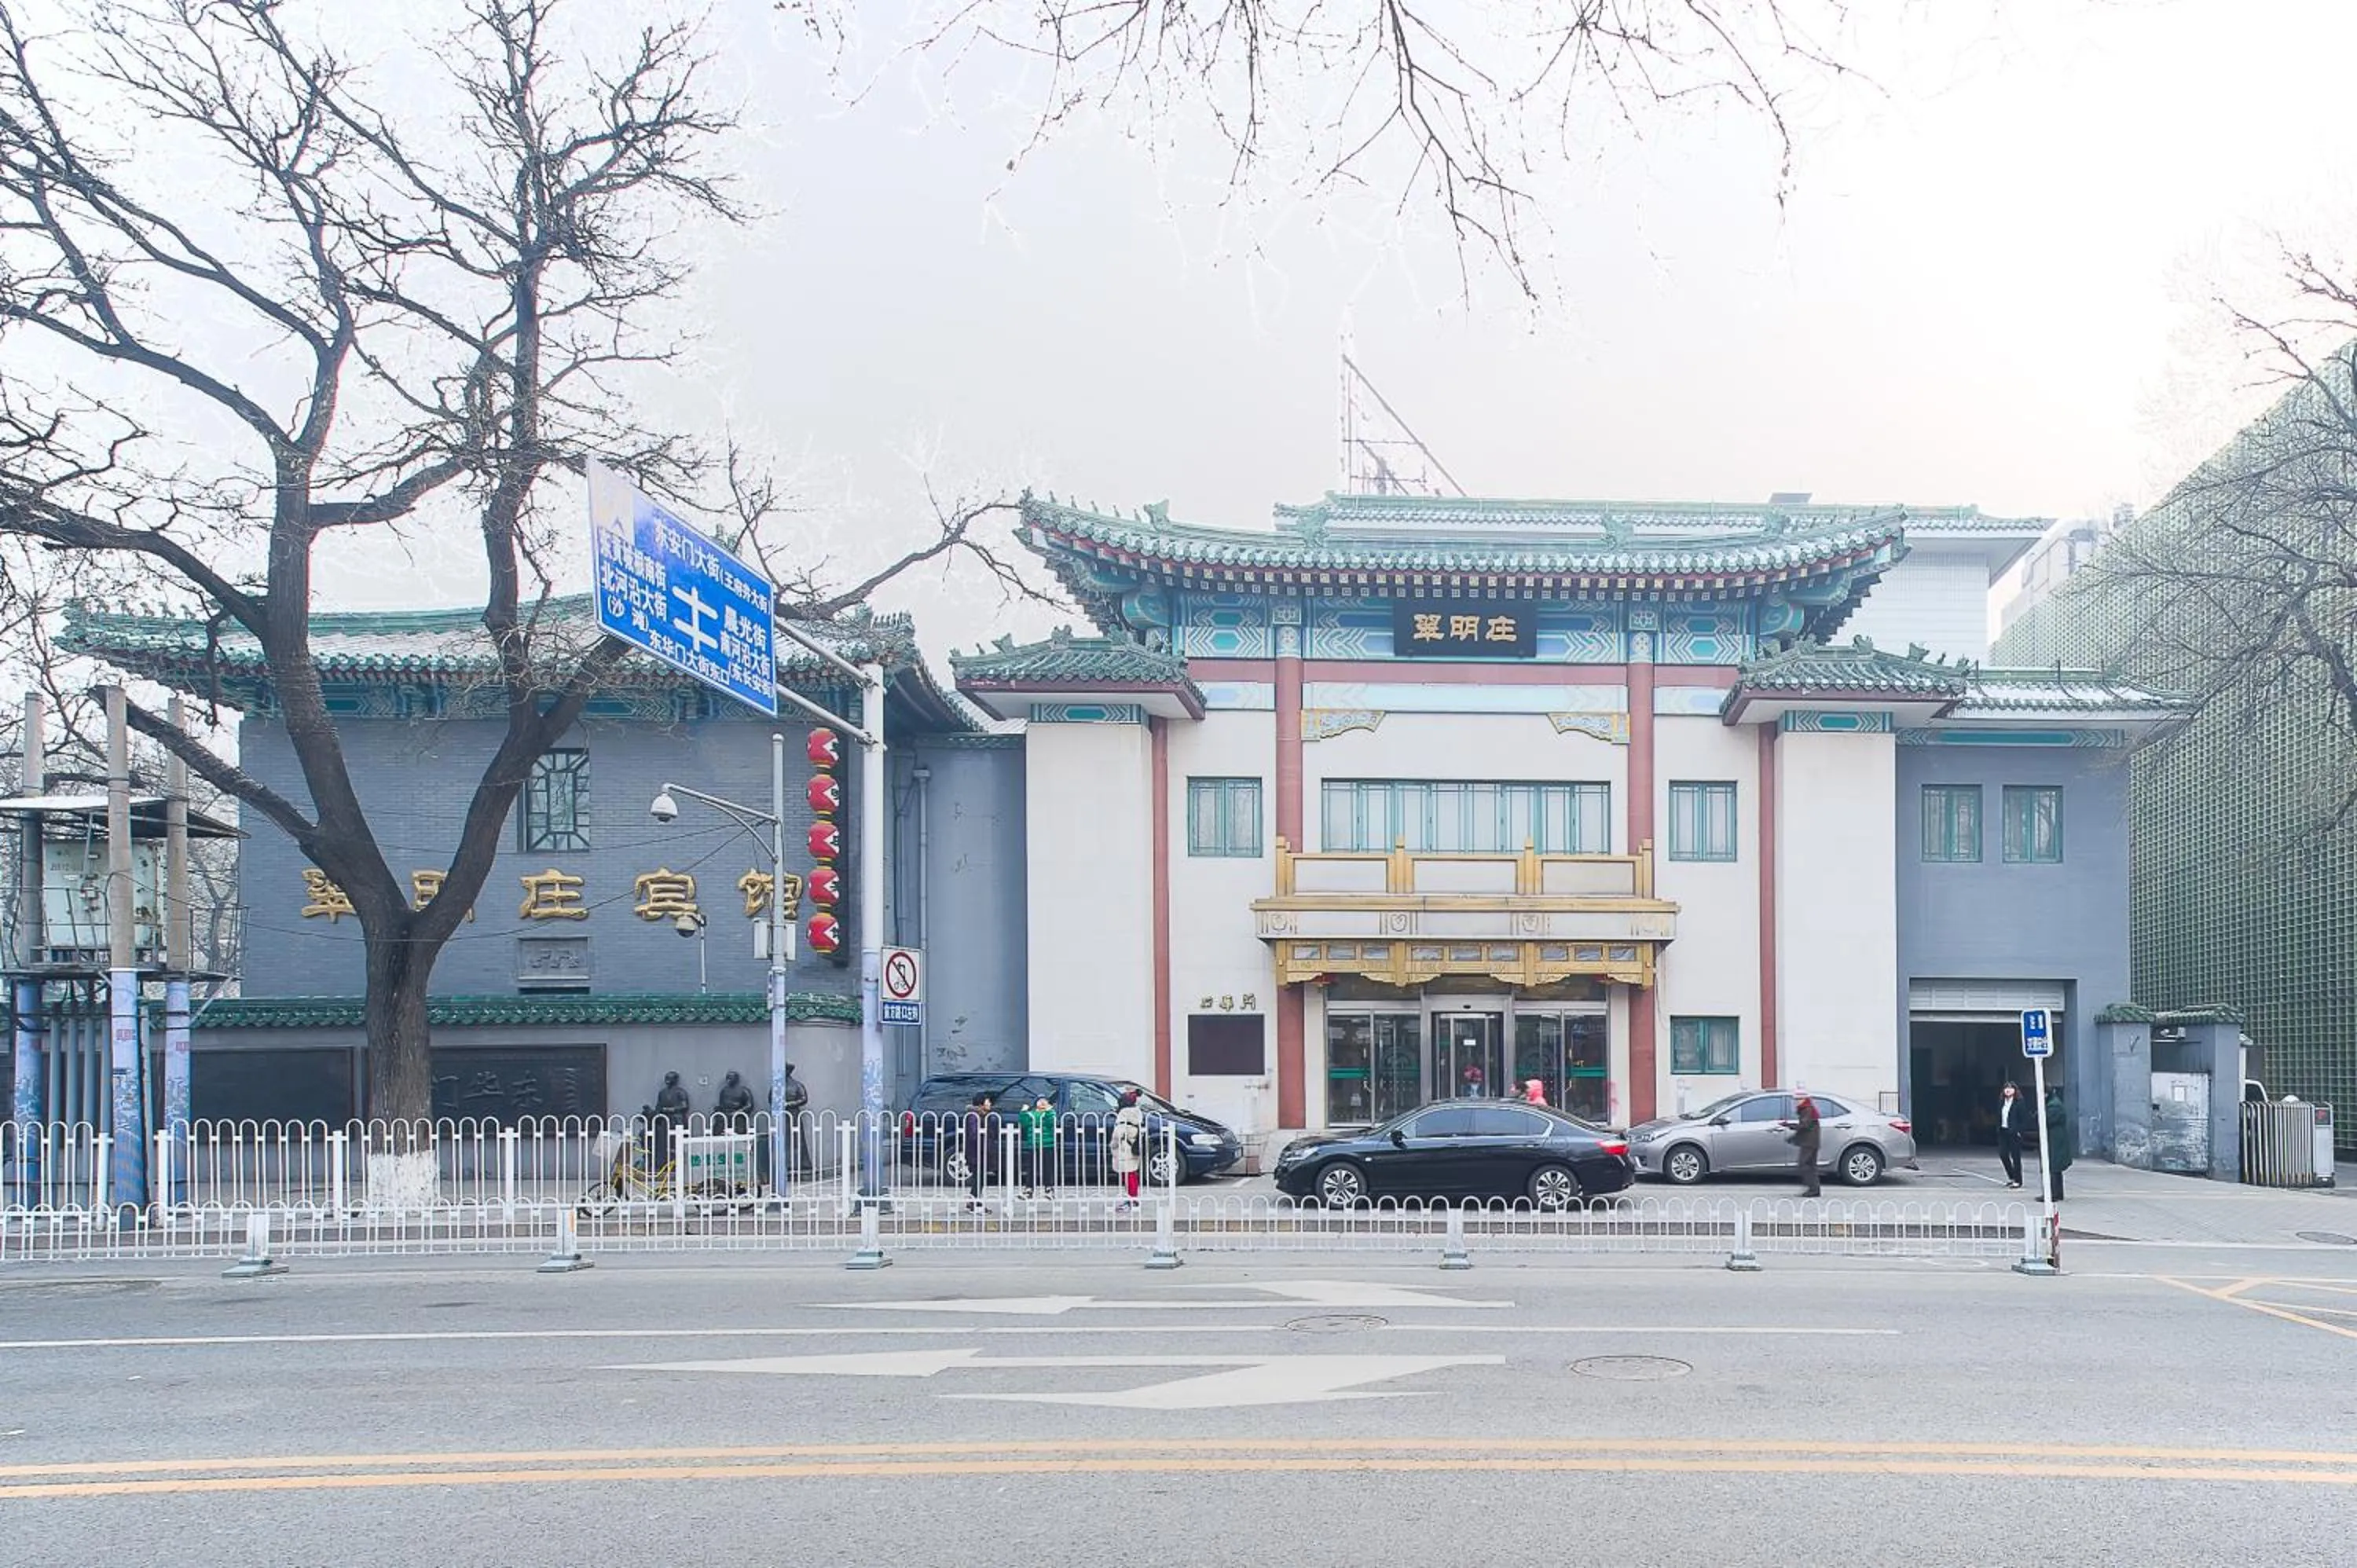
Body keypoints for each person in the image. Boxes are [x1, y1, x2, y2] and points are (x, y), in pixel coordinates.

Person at [1111, 1087, 1146, 1212]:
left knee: (1127, 1176)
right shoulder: (1136, 1116)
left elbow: (1117, 1136)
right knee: (1133, 1175)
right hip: (1133, 1149)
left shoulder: (1123, 1117)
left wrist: (1112, 1146)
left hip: (1124, 1151)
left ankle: (1131, 1200)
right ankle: (1134, 1198)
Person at [960, 1092, 995, 1213]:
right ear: (981, 1103)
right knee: (978, 1178)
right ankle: (974, 1203)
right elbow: (974, 1135)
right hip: (976, 1153)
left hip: (981, 1152)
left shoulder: (982, 1116)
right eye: (987, 1101)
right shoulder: (973, 1116)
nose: (990, 1103)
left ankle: (974, 1202)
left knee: (980, 1178)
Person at [1017, 1095, 1058, 1200]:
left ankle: (1049, 1188)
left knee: (1047, 1167)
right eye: (1040, 1101)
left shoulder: (1051, 1113)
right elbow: (1024, 1123)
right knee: (1031, 1167)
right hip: (1033, 1144)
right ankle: (1029, 1189)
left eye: (1045, 1101)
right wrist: (1023, 1112)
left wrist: (1049, 1111)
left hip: (1047, 1144)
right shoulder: (1031, 1114)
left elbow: (1051, 1123)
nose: (1043, 1103)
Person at [2043, 1087, 2075, 1202]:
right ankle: (2057, 1193)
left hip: (2056, 1140)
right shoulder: (2054, 1103)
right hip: (2056, 1139)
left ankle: (2053, 1193)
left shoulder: (2054, 1106)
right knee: (2055, 1169)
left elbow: (2047, 1120)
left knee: (2053, 1167)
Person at [1996, 1081, 2029, 1189]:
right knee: (2003, 1154)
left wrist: (2019, 1131)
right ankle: (2012, 1176)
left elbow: (2024, 1119)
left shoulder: (2019, 1102)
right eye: (2006, 1088)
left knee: (2016, 1157)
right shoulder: (2001, 1102)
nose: (2008, 1090)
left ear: (2015, 1090)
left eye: (2010, 1088)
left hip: (2014, 1133)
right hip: (2003, 1131)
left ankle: (2018, 1180)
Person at [1791, 1093, 1822, 1198]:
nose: (1797, 1101)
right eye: (1796, 1099)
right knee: (1811, 1166)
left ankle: (1812, 1188)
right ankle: (1815, 1189)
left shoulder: (1807, 1109)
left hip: (1809, 1142)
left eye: (1799, 1099)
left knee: (1803, 1164)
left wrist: (1791, 1126)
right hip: (1812, 1141)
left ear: (1805, 1099)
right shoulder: (1808, 1109)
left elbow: (1804, 1125)